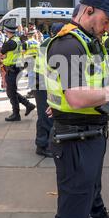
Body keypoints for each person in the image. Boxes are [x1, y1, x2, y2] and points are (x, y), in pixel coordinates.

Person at [45, 0, 109, 218]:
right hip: (76, 138)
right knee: (73, 210)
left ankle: (98, 216)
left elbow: (85, 82)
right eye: (105, 21)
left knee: (91, 185)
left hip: (89, 131)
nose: (107, 27)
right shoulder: (69, 43)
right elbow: (75, 96)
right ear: (89, 11)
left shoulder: (90, 41)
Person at [33, 22, 64, 158]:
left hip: (42, 80)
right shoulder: (54, 44)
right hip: (44, 82)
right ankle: (42, 145)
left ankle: (45, 141)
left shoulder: (48, 42)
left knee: (45, 113)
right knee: (45, 114)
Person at [0, 24, 36, 122]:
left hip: (12, 69)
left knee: (11, 92)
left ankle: (17, 113)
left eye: (5, 31)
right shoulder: (18, 40)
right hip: (16, 68)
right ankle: (27, 105)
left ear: (7, 32)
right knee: (11, 91)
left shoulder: (10, 43)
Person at [23, 30, 40, 99]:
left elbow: (23, 52)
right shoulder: (37, 42)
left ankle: (33, 91)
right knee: (34, 75)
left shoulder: (26, 43)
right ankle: (33, 91)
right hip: (36, 60)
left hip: (29, 60)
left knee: (31, 75)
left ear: (28, 36)